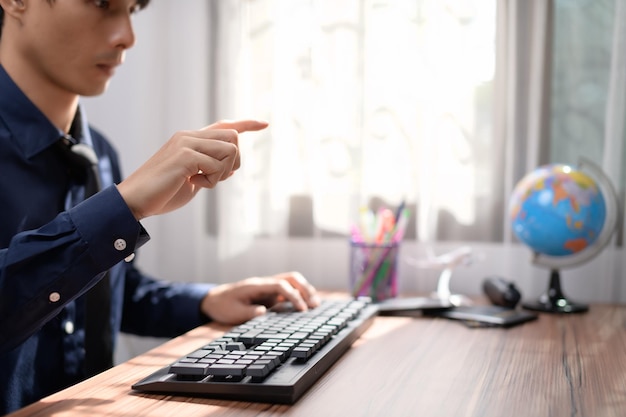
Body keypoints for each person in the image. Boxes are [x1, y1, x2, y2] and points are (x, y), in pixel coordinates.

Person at [0, 0, 320, 414]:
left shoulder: (99, 152)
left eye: (132, 9)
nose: (127, 37)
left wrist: (209, 301)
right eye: (102, 4)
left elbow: (109, 295)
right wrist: (124, 205)